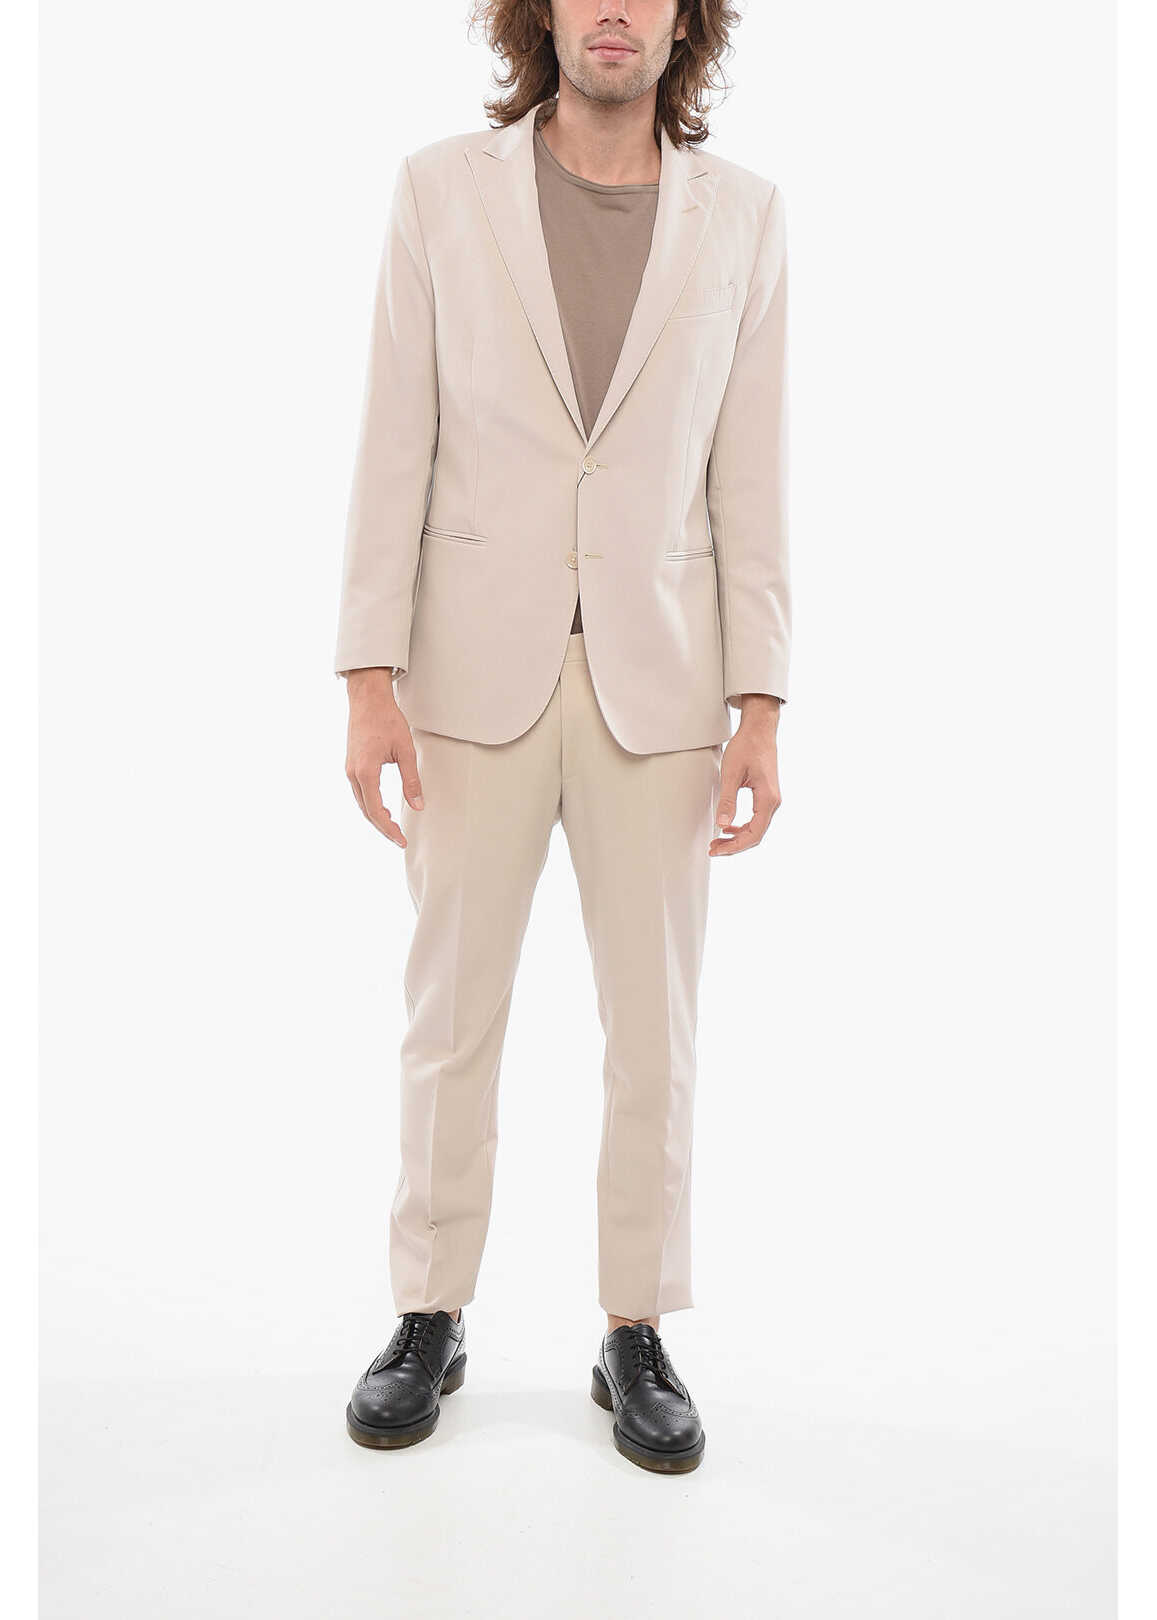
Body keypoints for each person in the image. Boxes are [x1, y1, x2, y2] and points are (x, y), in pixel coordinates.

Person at [335, 0, 789, 1475]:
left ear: (683, 18)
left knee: (654, 1032)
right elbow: (393, 436)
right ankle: (428, 1312)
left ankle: (634, 1330)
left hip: (664, 686)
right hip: (468, 675)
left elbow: (752, 472)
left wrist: (762, 701)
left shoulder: (745, 217)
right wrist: (368, 673)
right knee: (449, 1015)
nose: (613, 8)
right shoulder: (437, 191)